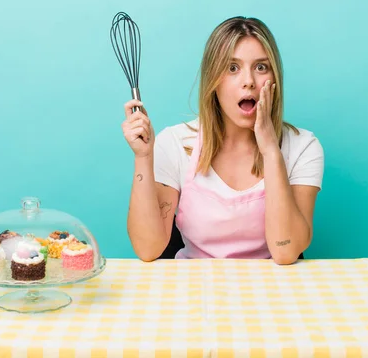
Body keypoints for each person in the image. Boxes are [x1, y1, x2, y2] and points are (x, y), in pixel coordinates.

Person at [120, 16, 324, 265]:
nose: (249, 81)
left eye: (261, 67)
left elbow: (285, 252)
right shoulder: (175, 142)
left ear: (275, 79)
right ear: (213, 81)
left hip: (272, 292)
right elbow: (147, 249)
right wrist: (143, 157)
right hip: (193, 288)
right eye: (232, 68)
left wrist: (271, 151)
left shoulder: (303, 147)